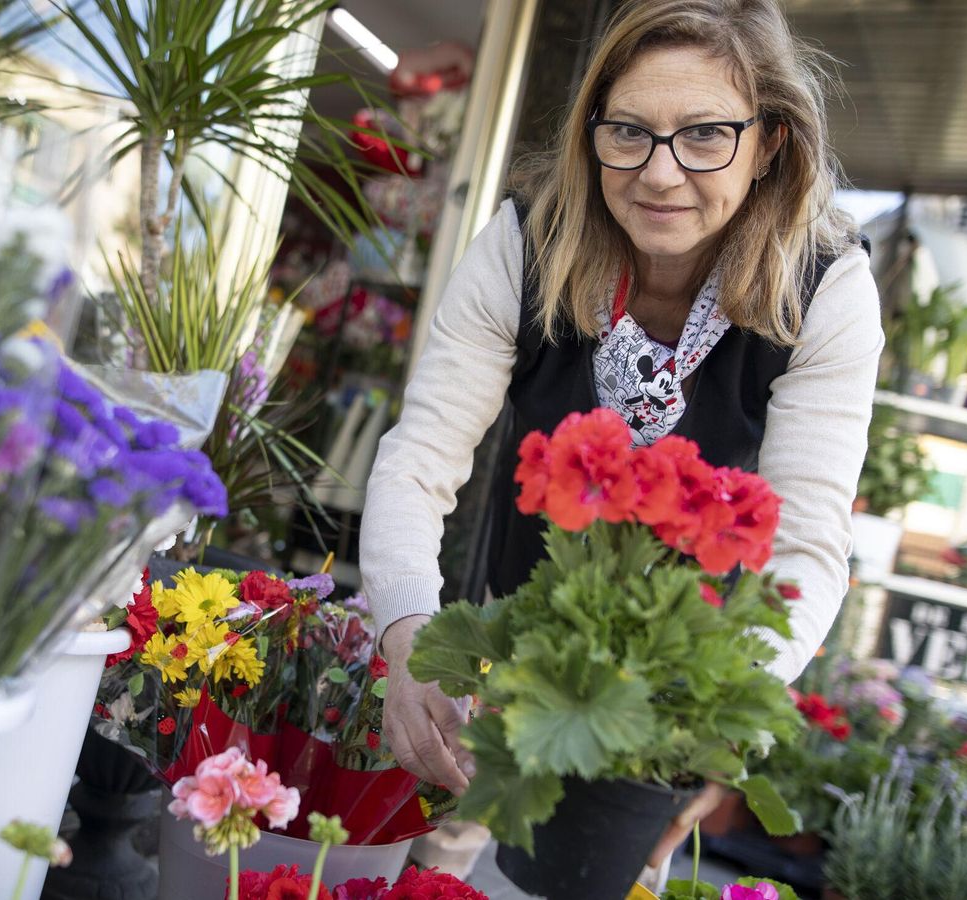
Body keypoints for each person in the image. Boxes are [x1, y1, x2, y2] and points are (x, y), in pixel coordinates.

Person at [359, 0, 883, 851]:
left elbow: (808, 547)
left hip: (668, 689)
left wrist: (708, 715)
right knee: (440, 861)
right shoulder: (526, 245)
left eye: (707, 135)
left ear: (769, 143)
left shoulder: (822, 288)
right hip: (504, 661)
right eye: (628, 132)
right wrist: (412, 638)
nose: (660, 173)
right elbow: (418, 462)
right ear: (591, 133)